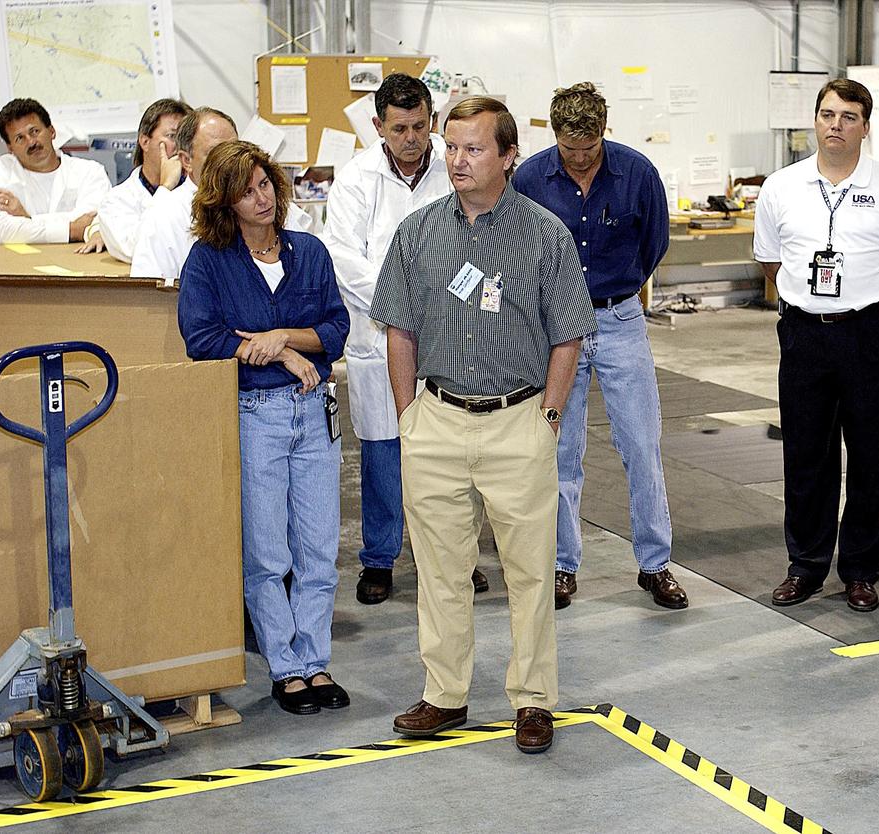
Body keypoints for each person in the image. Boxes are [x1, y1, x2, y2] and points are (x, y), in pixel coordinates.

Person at [371, 97, 595, 754]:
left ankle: (532, 700)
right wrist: (409, 414)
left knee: (529, 571)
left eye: (473, 148)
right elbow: (399, 330)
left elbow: (568, 338)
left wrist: (547, 418)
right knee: (439, 569)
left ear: (507, 157)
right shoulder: (416, 234)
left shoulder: (546, 236)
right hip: (435, 423)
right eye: (452, 147)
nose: (456, 159)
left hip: (518, 422)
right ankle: (444, 694)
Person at [177, 140, 351, 715]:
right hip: (256, 416)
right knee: (268, 553)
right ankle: (285, 666)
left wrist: (281, 341)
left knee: (320, 548)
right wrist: (277, 354)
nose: (263, 198)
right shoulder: (208, 260)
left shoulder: (310, 252)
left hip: (315, 411)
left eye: (267, 185)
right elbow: (201, 339)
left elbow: (336, 328)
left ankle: (317, 660)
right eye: (248, 191)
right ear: (224, 202)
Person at [753, 78, 879, 614]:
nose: (835, 125)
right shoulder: (781, 187)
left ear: (865, 127)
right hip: (804, 332)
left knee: (872, 455)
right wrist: (810, 300)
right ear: (815, 120)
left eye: (848, 117)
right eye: (827, 114)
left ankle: (859, 569)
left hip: (868, 332)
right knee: (805, 452)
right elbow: (769, 260)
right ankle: (806, 566)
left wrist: (866, 302)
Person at [512, 82, 686, 611]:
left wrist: (620, 286)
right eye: (570, 150)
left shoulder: (637, 174)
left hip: (619, 317)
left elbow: (654, 243)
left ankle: (655, 564)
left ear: (604, 132)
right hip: (555, 327)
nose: (581, 158)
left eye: (589, 149)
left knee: (640, 443)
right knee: (559, 450)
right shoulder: (529, 179)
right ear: (555, 136)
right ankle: (563, 564)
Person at [323, 73, 487, 604]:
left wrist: (445, 298)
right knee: (384, 455)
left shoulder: (455, 169)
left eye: (420, 126)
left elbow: (479, 243)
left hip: (452, 334)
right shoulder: (355, 181)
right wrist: (406, 301)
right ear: (378, 126)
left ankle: (458, 559)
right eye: (400, 128)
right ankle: (379, 559)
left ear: (433, 121)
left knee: (453, 456)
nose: (412, 137)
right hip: (380, 334)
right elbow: (344, 259)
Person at [131, 107, 312, 281]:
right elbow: (150, 301)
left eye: (234, 149)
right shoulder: (164, 216)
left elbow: (306, 263)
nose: (228, 161)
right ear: (186, 160)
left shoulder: (265, 200)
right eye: (215, 153)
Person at [0, 97, 111, 244]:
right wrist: (72, 229)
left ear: (51, 132)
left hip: (79, 261)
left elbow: (96, 221)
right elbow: (2, 229)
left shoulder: (90, 171)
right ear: (10, 148)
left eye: (34, 131)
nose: (31, 142)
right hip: (20, 264)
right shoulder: (1, 171)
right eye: (20, 138)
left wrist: (27, 220)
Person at [93, 98, 192, 262]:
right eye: (173, 136)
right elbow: (136, 249)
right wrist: (165, 188)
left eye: (187, 138)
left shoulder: (200, 190)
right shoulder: (116, 200)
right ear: (145, 142)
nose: (181, 145)